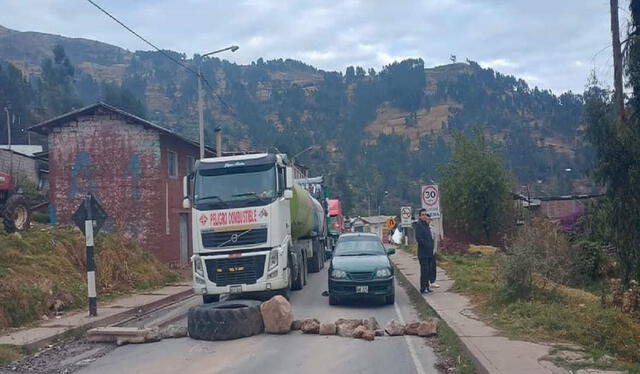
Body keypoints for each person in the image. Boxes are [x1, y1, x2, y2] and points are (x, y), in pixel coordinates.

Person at [415, 209, 436, 294]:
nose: (424, 216)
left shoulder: (426, 225)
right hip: (423, 253)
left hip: (429, 253)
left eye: (425, 214)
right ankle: (423, 288)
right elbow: (419, 238)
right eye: (422, 215)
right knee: (424, 271)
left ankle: (427, 286)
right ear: (420, 216)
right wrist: (427, 244)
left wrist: (431, 246)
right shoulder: (419, 225)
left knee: (429, 270)